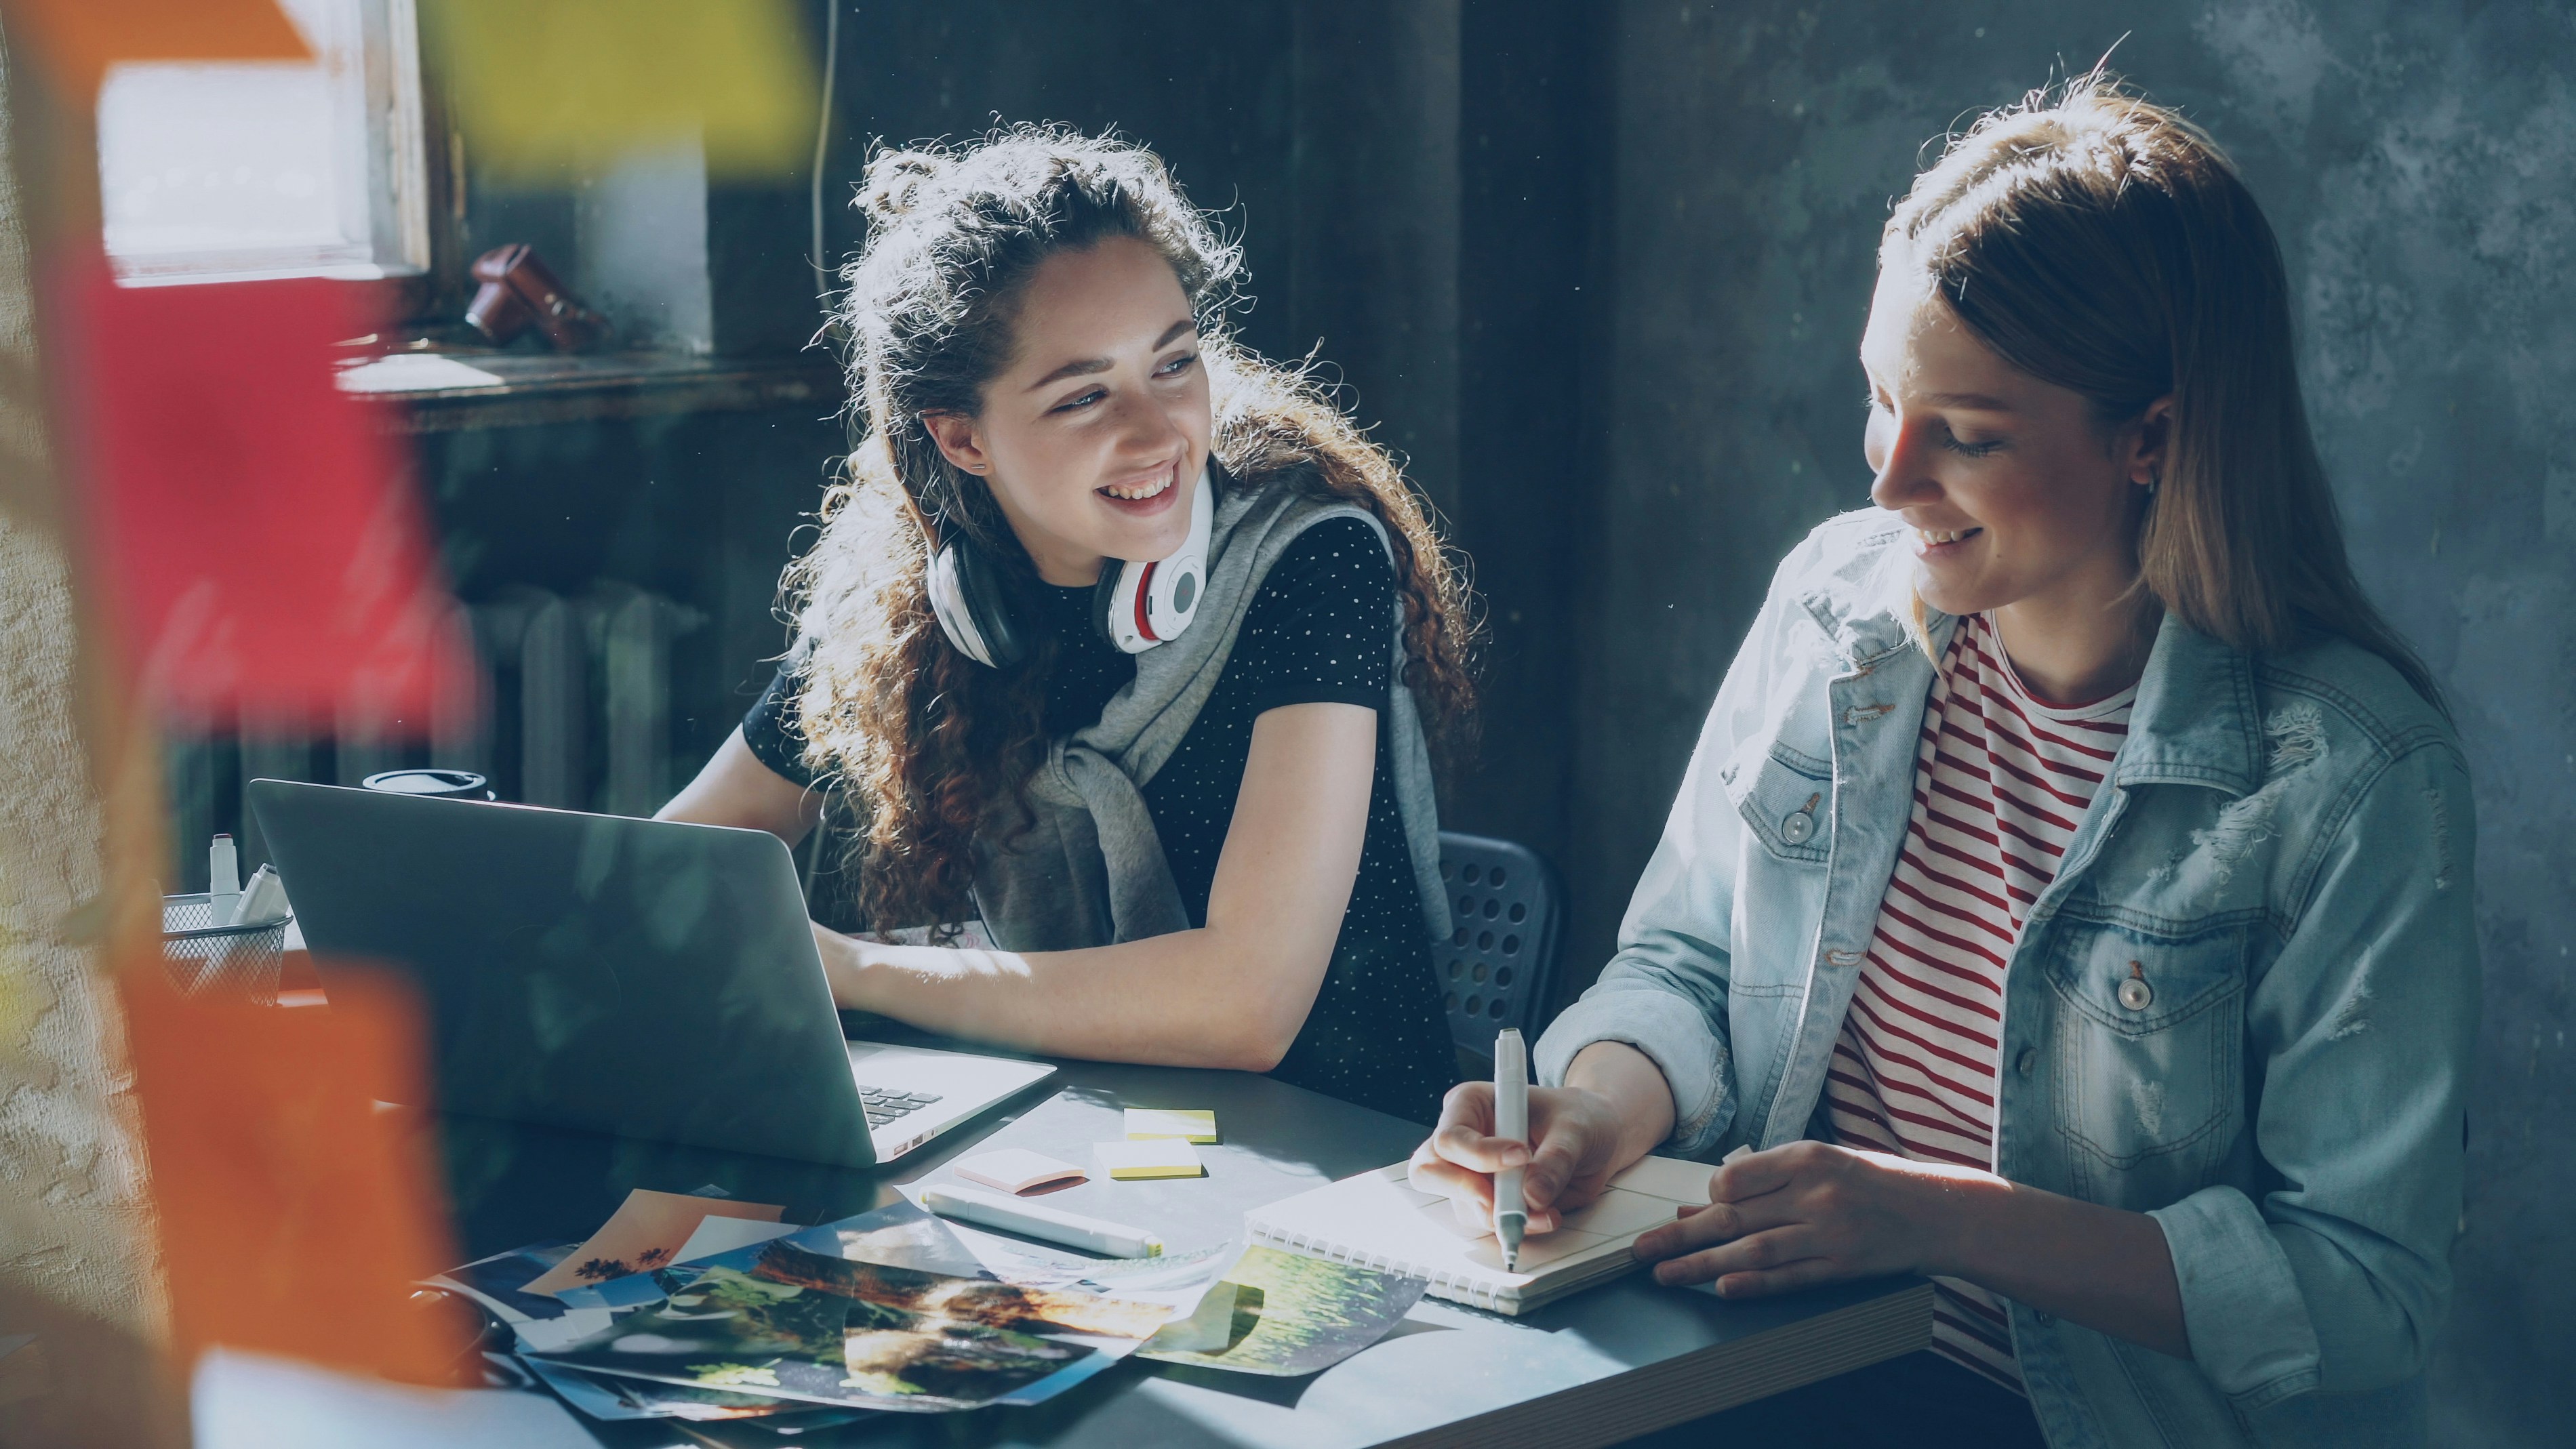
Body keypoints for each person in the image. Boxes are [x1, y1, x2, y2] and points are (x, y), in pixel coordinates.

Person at [1411, 76, 2475, 1448]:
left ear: (2148, 437)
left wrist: (1935, 1217)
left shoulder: (2352, 776)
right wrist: (1589, 1114)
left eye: (1965, 436)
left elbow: (2362, 1289)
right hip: (1775, 1366)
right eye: (1879, 400)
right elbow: (1681, 964)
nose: (1889, 481)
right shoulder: (1831, 610)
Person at [660, 129, 1476, 1125]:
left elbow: (1247, 1003)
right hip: (1078, 1148)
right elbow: (684, 857)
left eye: (1175, 364)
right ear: (962, 438)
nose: (1156, 431)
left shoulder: (1313, 558)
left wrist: (853, 971)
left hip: (1349, 1157)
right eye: (1085, 394)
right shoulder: (911, 597)